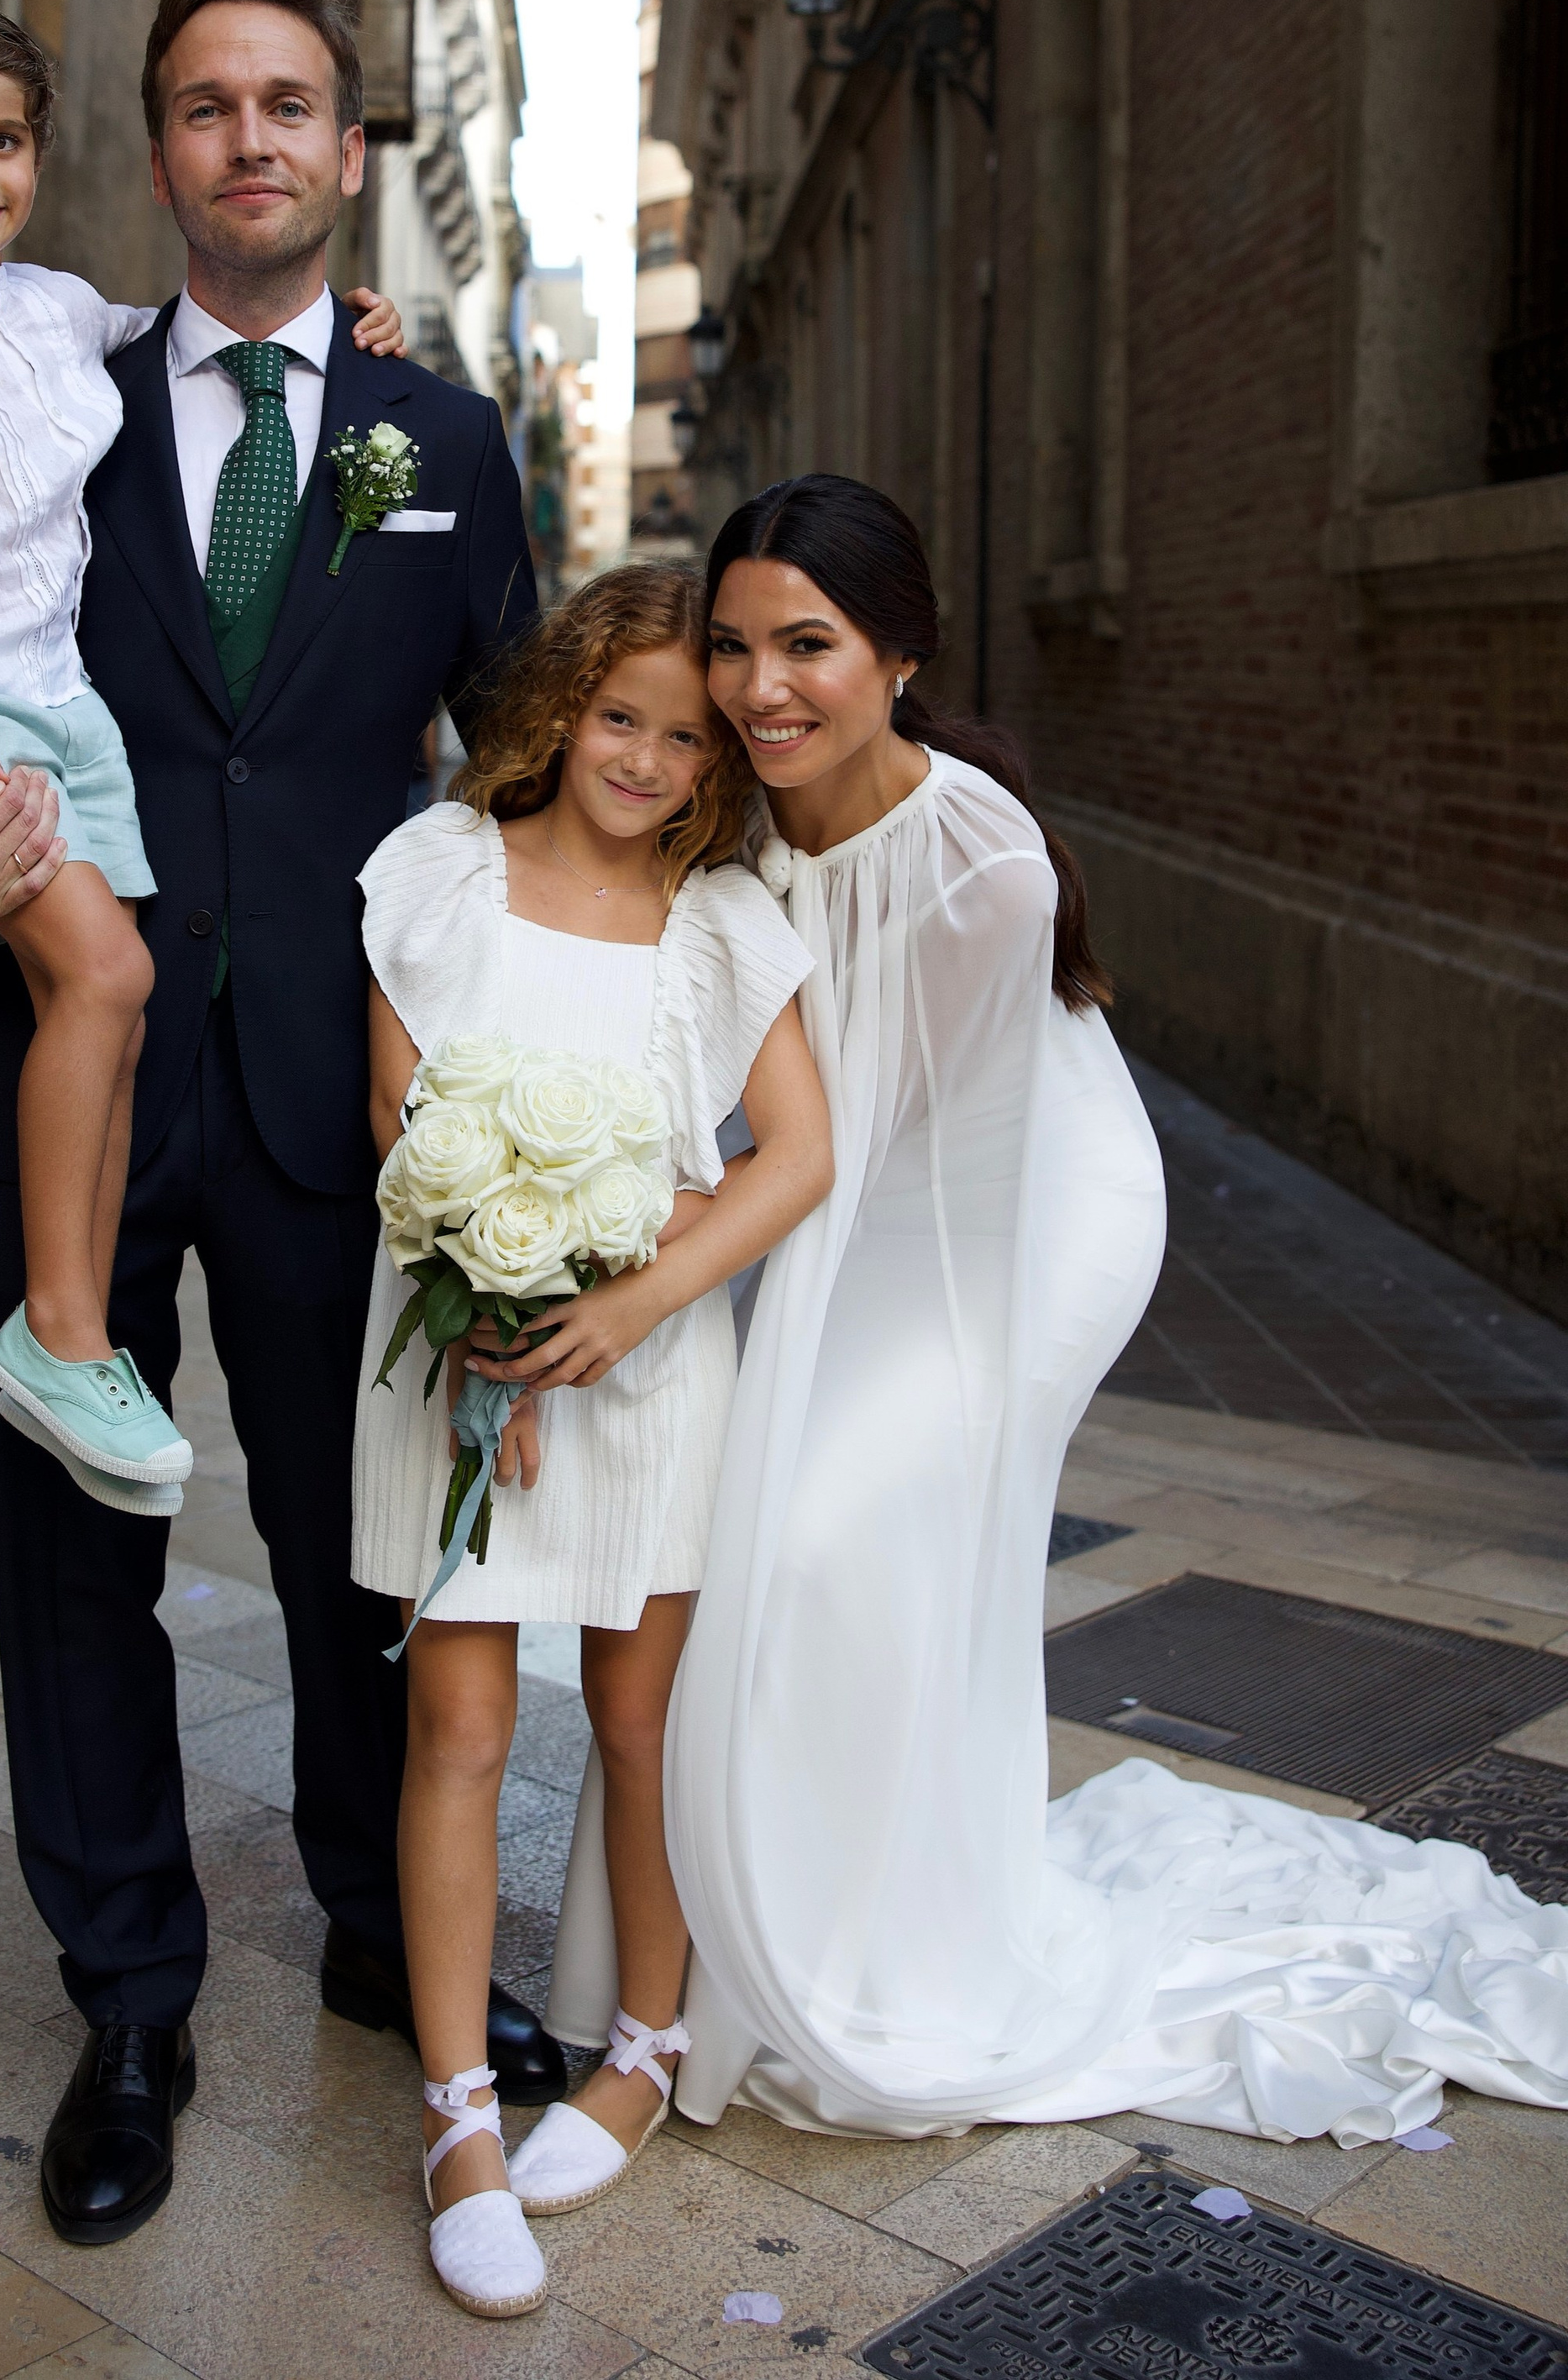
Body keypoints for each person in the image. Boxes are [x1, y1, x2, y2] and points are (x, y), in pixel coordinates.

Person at [0, 0, 565, 2251]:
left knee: (359, 1540)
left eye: (286, 101)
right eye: (201, 103)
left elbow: (518, 779)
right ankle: (130, 2002)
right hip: (68, 1070)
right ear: (154, 154)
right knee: (73, 1552)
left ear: (347, 150)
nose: (247, 136)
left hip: (338, 1093)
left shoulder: (445, 439)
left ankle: (384, 1923)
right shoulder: (33, 396)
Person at [653, 471, 1568, 2146]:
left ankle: (873, 1952)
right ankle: (798, 1914)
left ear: (902, 655)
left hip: (1027, 1218)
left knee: (826, 1530)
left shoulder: (981, 867)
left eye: (807, 644)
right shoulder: (735, 805)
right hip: (864, 1186)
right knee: (786, 1539)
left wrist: (661, 1239)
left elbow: (851, 1141)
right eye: (730, 644)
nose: (759, 686)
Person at [0, 0, 402, 1509]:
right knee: (108, 974)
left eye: (1, 141)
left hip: (64, 708)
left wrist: (357, 332)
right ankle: (60, 1325)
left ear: (40, 152)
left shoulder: (54, 310)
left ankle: (79, 1329)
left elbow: (194, 337)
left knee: (103, 998)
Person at [351, 567, 831, 2316]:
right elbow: (398, 1108)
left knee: (641, 1721)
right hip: (453, 1345)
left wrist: (631, 1300)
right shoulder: (440, 871)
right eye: (619, 715)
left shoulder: (718, 921)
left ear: (719, 765)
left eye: (685, 737)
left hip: (649, 1364)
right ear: (559, 708)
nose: (643, 757)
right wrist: (487, 1305)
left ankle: (641, 2043)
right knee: (461, 1727)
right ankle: (458, 2118)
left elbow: (792, 1153)